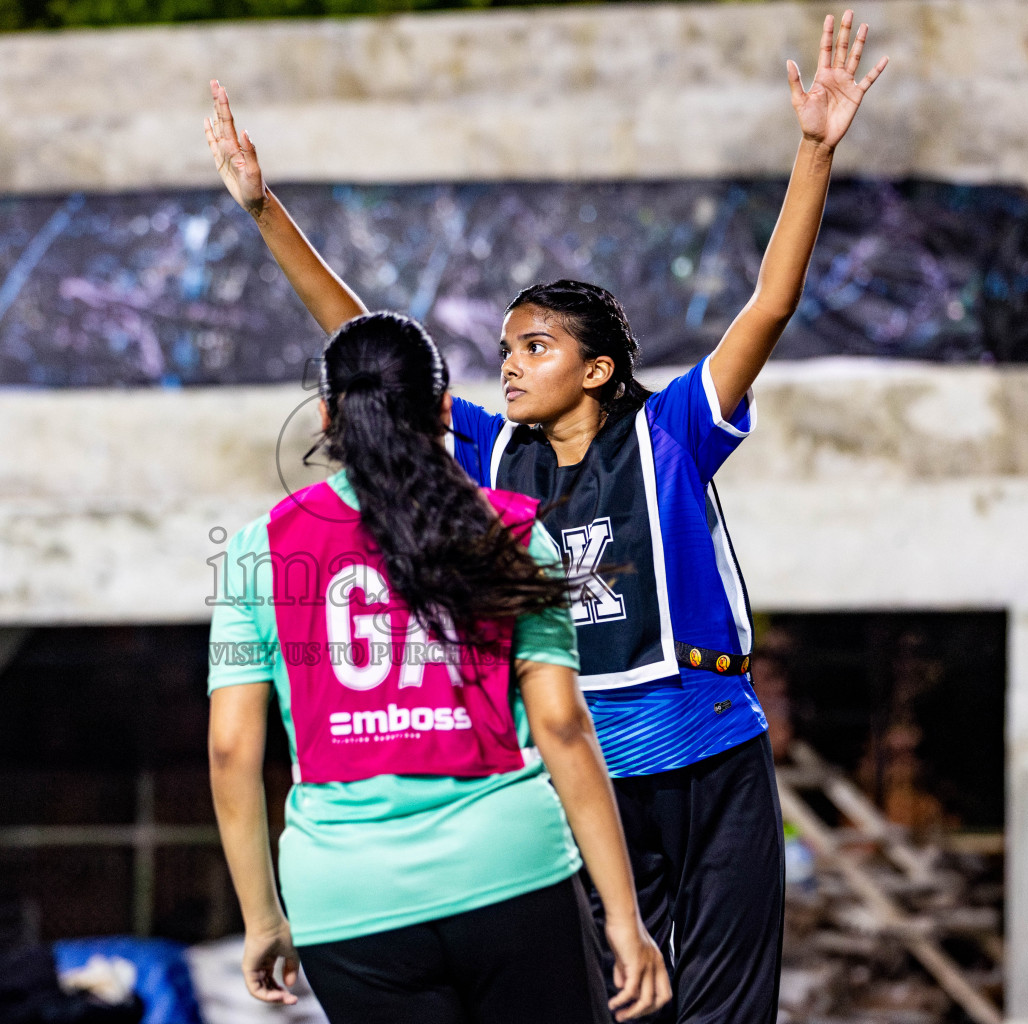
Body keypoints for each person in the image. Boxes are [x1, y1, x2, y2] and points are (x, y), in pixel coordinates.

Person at [205, 12, 885, 1021]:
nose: (511, 362)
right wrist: (265, 212)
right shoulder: (494, 458)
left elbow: (771, 304)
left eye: (536, 347)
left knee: (729, 1010)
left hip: (709, 748)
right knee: (627, 1000)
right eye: (510, 347)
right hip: (591, 775)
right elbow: (367, 343)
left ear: (599, 370)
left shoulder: (675, 431)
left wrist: (815, 151)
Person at [207, 312, 669, 1023]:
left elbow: (232, 749)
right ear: (446, 409)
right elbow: (564, 728)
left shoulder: (254, 552)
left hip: (345, 898)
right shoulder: (511, 532)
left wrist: (263, 916)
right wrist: (624, 917)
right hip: (510, 870)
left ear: (329, 416)